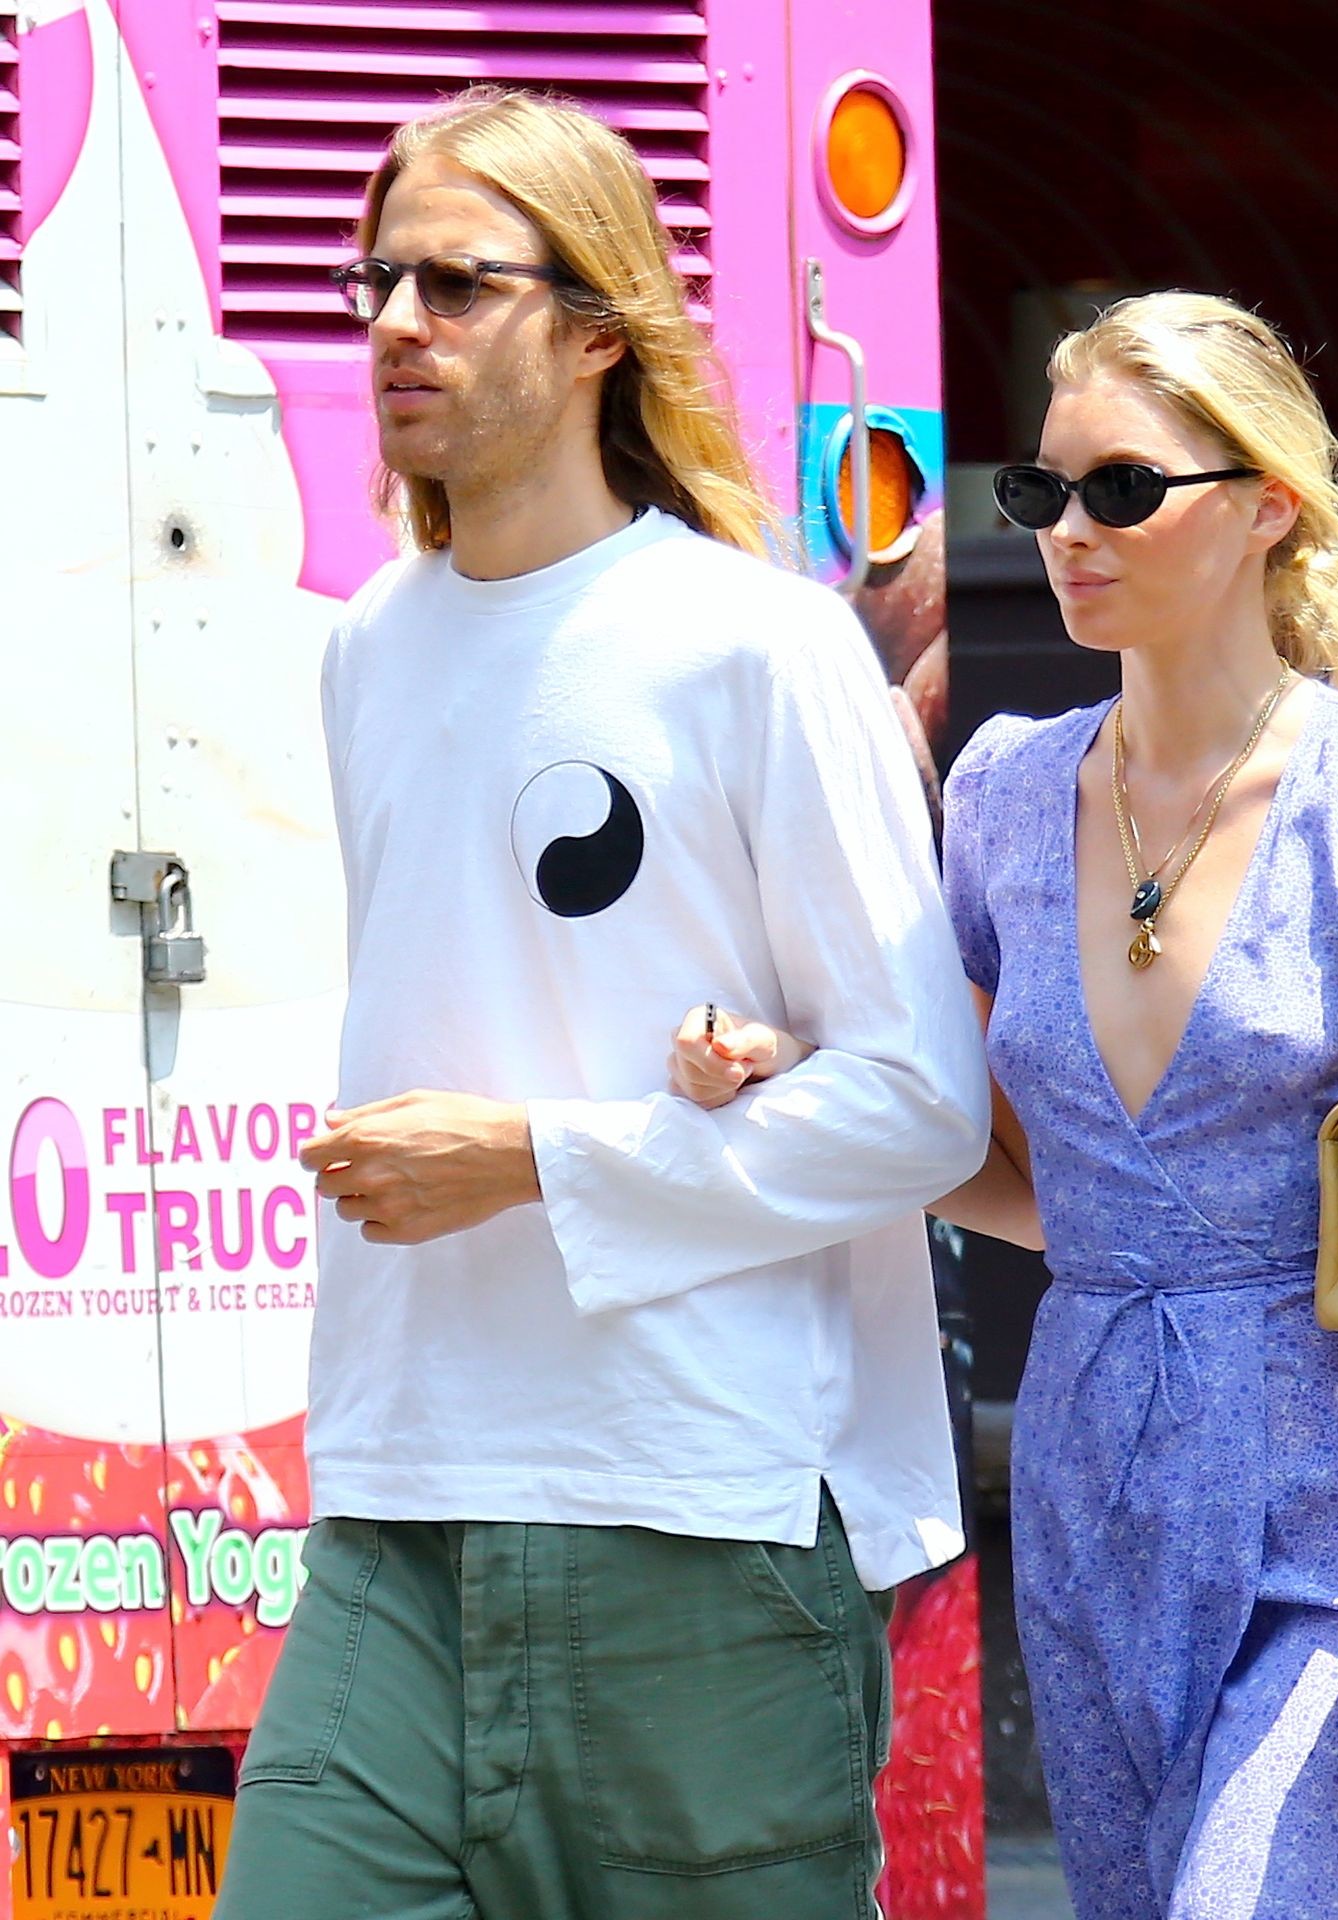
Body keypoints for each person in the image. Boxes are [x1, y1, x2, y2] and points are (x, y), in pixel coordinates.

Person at [672, 291, 1338, 1919]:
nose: (1066, 532)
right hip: (1089, 1491)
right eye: (1041, 491)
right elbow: (1004, 1172)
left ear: (1266, 507)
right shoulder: (1006, 797)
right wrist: (789, 1079)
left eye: (1121, 488)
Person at [213, 86, 989, 1920]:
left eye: (456, 284)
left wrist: (531, 1159)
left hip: (694, 1514)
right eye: (376, 282)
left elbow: (921, 1106)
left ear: (592, 332)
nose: (397, 324)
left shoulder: (761, 644)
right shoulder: (369, 647)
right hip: (397, 1502)